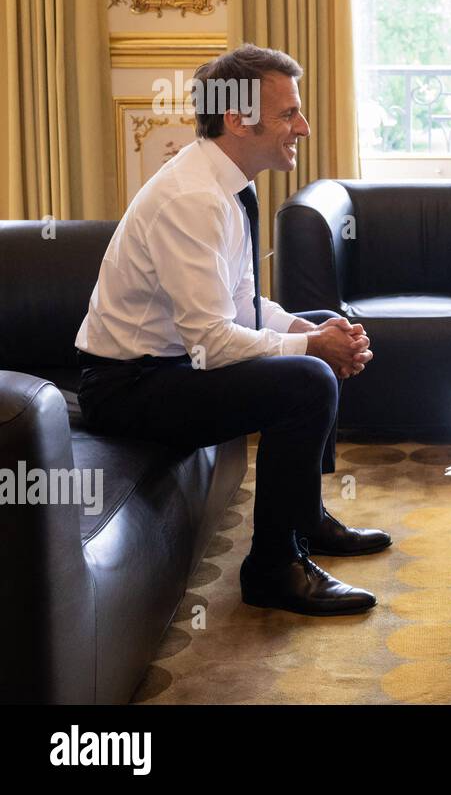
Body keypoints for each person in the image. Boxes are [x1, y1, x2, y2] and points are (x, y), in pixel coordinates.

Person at [76, 44, 390, 616]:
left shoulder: (226, 182)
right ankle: (272, 567)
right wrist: (310, 347)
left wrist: (308, 330)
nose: (304, 126)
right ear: (237, 119)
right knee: (308, 379)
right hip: (129, 387)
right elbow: (211, 343)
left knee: (318, 330)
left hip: (173, 366)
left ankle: (305, 517)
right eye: (288, 114)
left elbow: (241, 304)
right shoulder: (192, 198)